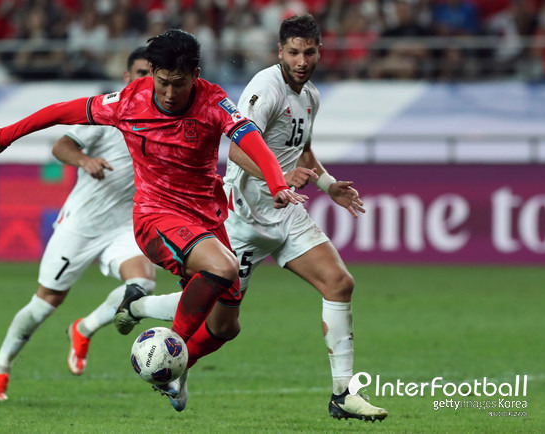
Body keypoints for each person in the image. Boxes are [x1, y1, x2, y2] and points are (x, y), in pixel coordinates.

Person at [0, 29, 305, 411]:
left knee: (225, 326)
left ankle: (151, 331)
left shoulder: (213, 101)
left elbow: (250, 138)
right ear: (151, 72)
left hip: (204, 219)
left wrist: (275, 181)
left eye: (180, 84)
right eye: (163, 82)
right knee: (223, 267)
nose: (170, 93)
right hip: (154, 215)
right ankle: (169, 358)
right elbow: (60, 112)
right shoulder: (126, 101)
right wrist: (6, 134)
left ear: (196, 75)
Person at [113, 15, 388, 422]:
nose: (301, 60)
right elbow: (239, 148)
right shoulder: (265, 88)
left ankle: (342, 394)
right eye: (293, 52)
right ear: (280, 51)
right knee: (224, 326)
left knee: (339, 283)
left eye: (308, 52)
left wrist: (328, 184)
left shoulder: (310, 95)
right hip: (242, 217)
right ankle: (143, 310)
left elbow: (303, 149)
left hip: (286, 214)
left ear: (319, 52)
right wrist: (277, 176)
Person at [0, 46, 156, 401]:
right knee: (46, 302)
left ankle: (85, 328)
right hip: (82, 224)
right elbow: (61, 145)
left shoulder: (163, 120)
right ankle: (0, 364)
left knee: (142, 283)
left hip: (124, 226)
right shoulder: (110, 113)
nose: (146, 81)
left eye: (152, 74)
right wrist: (84, 160)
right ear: (127, 78)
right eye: (140, 73)